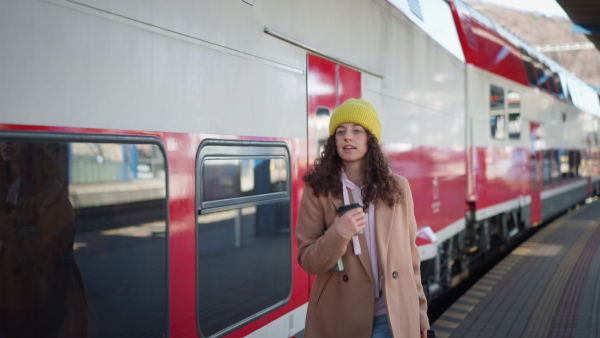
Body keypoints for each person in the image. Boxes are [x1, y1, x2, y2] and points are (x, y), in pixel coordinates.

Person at [296, 98, 430, 338]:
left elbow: (410, 257)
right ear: (333, 141)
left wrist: (420, 313)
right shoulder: (317, 191)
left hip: (392, 315)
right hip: (340, 317)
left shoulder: (398, 188)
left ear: (371, 139)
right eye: (341, 131)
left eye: (357, 130)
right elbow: (308, 260)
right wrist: (339, 233)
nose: (348, 137)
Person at [0, 141, 87, 338]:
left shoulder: (51, 193)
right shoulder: (7, 189)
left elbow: (51, 254)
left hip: (38, 307)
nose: (6, 142)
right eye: (1, 137)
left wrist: (4, 226)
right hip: (11, 305)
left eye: (15, 137)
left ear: (33, 145)